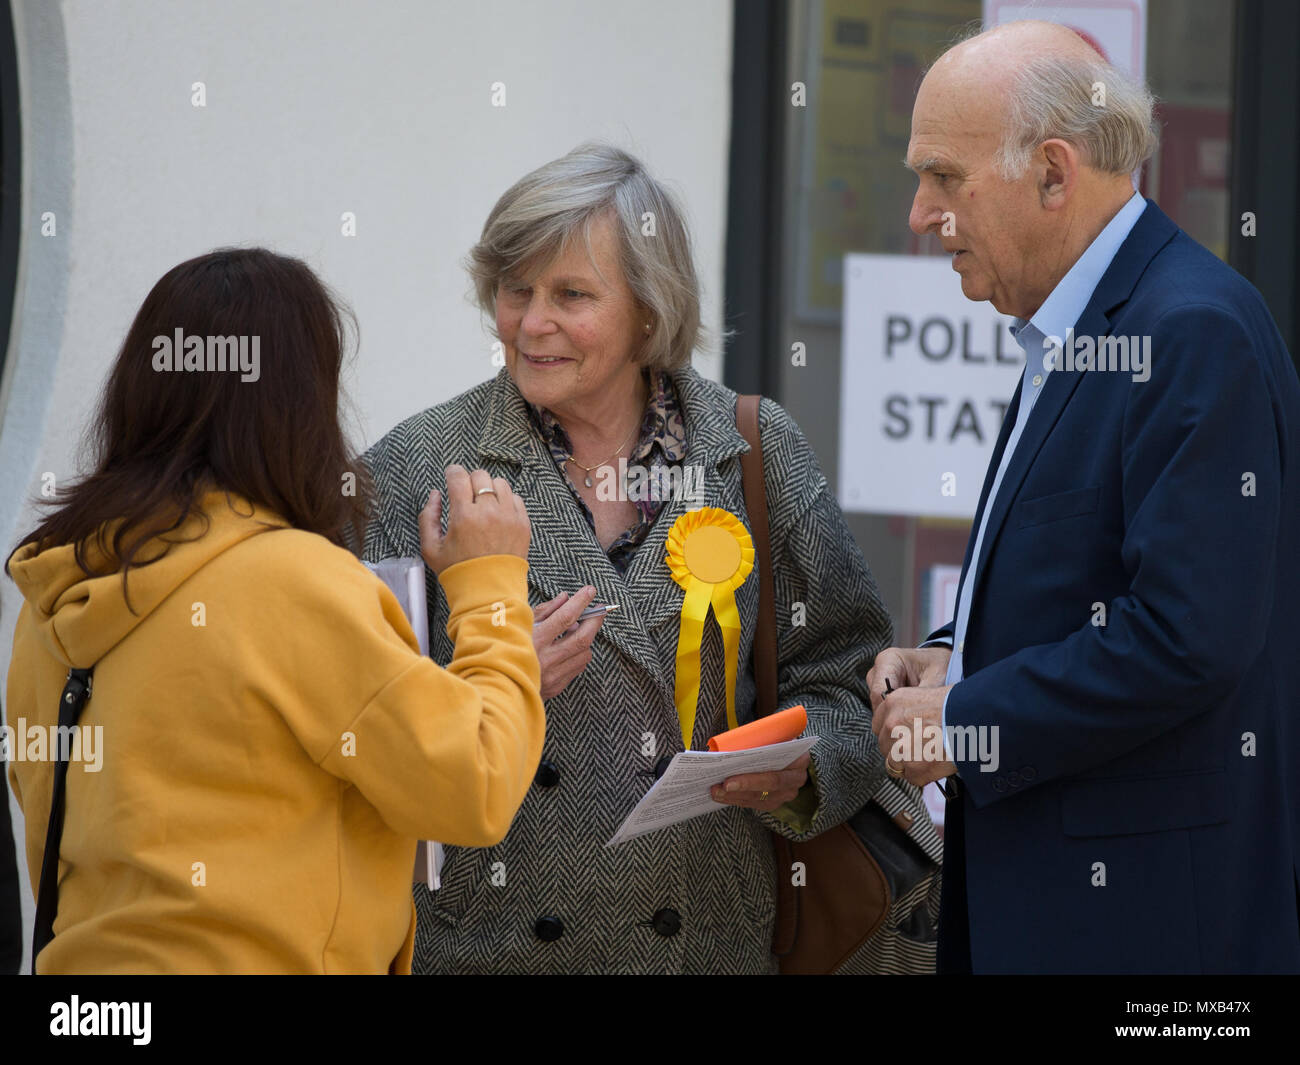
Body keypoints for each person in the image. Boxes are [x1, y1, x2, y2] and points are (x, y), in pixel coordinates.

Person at [363, 142, 939, 974]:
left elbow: (847, 676)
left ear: (648, 309)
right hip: (484, 947)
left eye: (571, 295)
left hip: (707, 943)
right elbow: (345, 718)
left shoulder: (751, 449)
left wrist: (804, 767)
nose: (530, 324)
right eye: (515, 290)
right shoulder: (421, 467)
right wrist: (483, 679)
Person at [869, 19, 1300, 973]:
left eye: (944, 176)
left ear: (1055, 175)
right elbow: (1082, 583)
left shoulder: (1187, 331)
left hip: (1142, 932)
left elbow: (1186, 639)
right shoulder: (1084, 321)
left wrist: (973, 715)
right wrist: (955, 661)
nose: (918, 213)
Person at [5, 248, 545, 974]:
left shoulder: (58, 588)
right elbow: (474, 784)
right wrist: (488, 589)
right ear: (297, 402)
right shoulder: (291, 582)